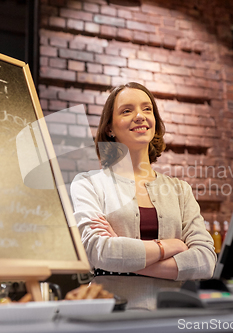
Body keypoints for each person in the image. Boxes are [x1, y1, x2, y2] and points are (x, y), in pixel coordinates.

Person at [70, 82, 216, 310]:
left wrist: (126, 261)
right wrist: (171, 246)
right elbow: (99, 251)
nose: (140, 116)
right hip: (112, 315)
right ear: (109, 128)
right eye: (127, 111)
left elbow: (206, 260)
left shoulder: (180, 190)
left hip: (175, 315)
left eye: (147, 109)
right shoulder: (88, 183)